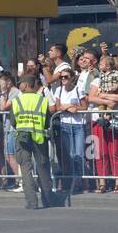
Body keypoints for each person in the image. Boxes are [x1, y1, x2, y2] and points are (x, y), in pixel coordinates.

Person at [9, 74, 54, 210]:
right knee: (43, 168)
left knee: (26, 169)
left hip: (22, 138)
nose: (19, 86)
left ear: (26, 85)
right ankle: (48, 200)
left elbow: (13, 121)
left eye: (20, 83)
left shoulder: (17, 101)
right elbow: (47, 121)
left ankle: (32, 202)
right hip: (39, 138)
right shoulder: (42, 100)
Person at [88, 55, 118, 193]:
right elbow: (91, 97)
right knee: (101, 152)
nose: (100, 66)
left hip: (116, 119)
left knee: (115, 151)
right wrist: (107, 102)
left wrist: (104, 96)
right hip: (99, 119)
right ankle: (102, 182)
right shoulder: (97, 80)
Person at [50, 65, 87, 194]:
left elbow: (84, 107)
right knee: (70, 154)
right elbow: (57, 107)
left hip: (78, 125)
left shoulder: (78, 89)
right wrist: (68, 107)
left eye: (66, 77)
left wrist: (75, 108)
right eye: (61, 77)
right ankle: (73, 181)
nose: (63, 79)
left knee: (79, 154)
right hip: (65, 125)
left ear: (72, 78)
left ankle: (78, 180)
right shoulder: (59, 90)